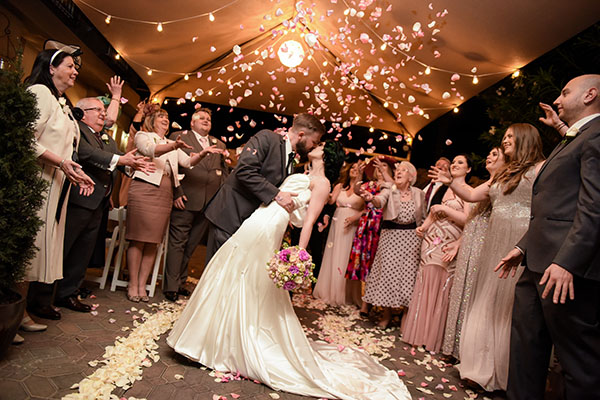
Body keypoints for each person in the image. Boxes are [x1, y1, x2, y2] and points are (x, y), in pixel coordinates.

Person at [167, 141, 411, 400]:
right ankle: (213, 339)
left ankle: (228, 341)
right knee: (231, 269)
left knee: (247, 275)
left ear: (327, 155)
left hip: (270, 227)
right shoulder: (303, 173)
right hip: (258, 218)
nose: (315, 145)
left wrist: (298, 253)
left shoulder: (324, 183)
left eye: (321, 145)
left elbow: (308, 221)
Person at [496, 74, 600, 399]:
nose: (557, 99)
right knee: (525, 353)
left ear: (590, 95)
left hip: (566, 271)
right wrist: (523, 247)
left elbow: (594, 206)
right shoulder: (575, 138)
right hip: (537, 264)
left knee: (577, 365)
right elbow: (556, 204)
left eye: (565, 92)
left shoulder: (597, 137)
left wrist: (567, 261)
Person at [430, 124, 544, 390]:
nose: (504, 141)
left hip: (518, 241)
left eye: (509, 138)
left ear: (525, 140)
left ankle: (504, 373)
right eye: (503, 137)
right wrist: (453, 182)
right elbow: (471, 194)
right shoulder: (501, 175)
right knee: (487, 300)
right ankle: (479, 367)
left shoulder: (540, 170)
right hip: (494, 240)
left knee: (508, 306)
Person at [55, 95, 153, 312]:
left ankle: (68, 293)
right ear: (83, 112)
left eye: (104, 110)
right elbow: (86, 154)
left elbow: (119, 159)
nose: (103, 113)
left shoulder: (107, 138)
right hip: (79, 200)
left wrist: (132, 165)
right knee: (65, 248)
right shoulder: (78, 131)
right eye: (98, 109)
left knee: (83, 252)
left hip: (98, 202)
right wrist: (122, 160)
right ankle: (46, 294)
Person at [23, 43, 95, 327]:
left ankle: (22, 312)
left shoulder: (62, 104)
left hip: (57, 184)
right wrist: (61, 163)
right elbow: (27, 139)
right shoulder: (39, 93)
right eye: (70, 66)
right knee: (29, 246)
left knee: (39, 248)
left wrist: (73, 169)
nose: (75, 71)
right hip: (37, 181)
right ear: (51, 68)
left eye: (76, 67)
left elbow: (69, 149)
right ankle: (15, 314)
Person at [203, 113, 325, 263]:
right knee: (216, 273)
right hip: (230, 216)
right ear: (301, 135)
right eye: (314, 141)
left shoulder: (291, 158)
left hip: (248, 224)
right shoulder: (267, 138)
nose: (314, 146)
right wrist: (278, 194)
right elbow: (244, 170)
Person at [125, 109, 216, 302]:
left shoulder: (171, 144)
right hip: (144, 188)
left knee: (153, 241)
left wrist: (203, 153)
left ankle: (143, 285)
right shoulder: (143, 136)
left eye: (167, 117)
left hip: (165, 191)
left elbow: (187, 162)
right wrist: (174, 145)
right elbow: (151, 150)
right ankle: (133, 284)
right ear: (151, 120)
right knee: (138, 238)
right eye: (161, 117)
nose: (166, 120)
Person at [441, 147, 506, 361]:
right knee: (460, 291)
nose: (489, 156)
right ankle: (451, 346)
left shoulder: (501, 184)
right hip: (470, 238)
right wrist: (460, 242)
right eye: (489, 153)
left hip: (482, 243)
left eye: (495, 154)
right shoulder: (485, 184)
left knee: (471, 293)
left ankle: (463, 351)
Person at [401, 154, 471, 353]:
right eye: (454, 162)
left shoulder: (469, 192)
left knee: (443, 286)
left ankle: (433, 337)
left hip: (450, 243)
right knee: (425, 283)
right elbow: (433, 212)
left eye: (460, 162)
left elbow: (468, 220)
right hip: (431, 241)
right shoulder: (443, 189)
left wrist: (445, 210)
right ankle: (419, 334)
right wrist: (423, 228)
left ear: (469, 170)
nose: (456, 165)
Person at [163, 108, 228, 302]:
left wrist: (219, 198)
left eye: (208, 118)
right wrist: (177, 192)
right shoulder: (179, 137)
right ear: (192, 123)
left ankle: (181, 282)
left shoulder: (220, 143)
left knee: (191, 245)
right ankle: (171, 287)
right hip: (184, 199)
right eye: (201, 118)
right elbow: (172, 167)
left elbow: (223, 172)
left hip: (208, 204)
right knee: (178, 243)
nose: (206, 120)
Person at [360, 161, 425, 329]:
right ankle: (386, 313)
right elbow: (379, 201)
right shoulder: (390, 190)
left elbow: (424, 217)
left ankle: (405, 315)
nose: (399, 172)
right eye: (398, 170)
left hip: (412, 240)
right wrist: (370, 198)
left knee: (408, 277)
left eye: (404, 170)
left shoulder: (419, 193)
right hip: (390, 238)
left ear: (411, 176)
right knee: (388, 275)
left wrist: (423, 233)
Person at [346, 157, 394, 311]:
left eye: (384, 166)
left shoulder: (391, 187)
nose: (380, 169)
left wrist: (386, 174)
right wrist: (360, 175)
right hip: (366, 225)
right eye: (378, 166)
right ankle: (365, 300)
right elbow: (357, 190)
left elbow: (393, 186)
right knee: (364, 263)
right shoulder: (370, 185)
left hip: (382, 226)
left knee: (376, 264)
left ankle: (369, 303)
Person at [313, 162, 364, 305]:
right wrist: (322, 189)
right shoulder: (340, 186)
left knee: (346, 257)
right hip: (337, 223)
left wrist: (355, 217)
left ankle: (345, 294)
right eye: (353, 167)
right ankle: (329, 291)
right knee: (334, 254)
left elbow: (367, 209)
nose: (354, 170)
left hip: (352, 225)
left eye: (358, 169)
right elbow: (330, 200)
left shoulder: (364, 189)